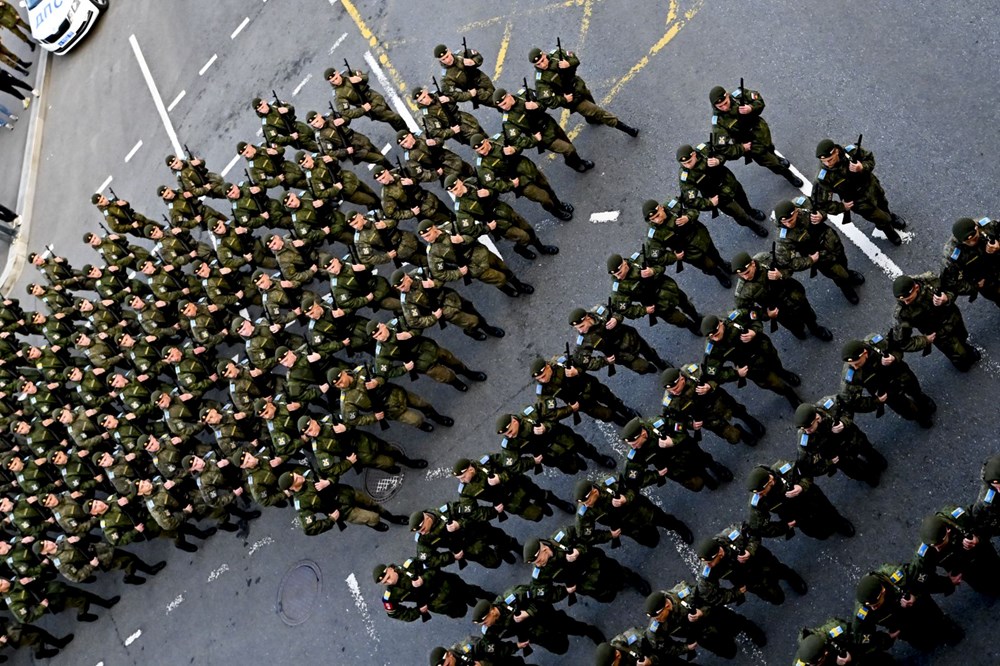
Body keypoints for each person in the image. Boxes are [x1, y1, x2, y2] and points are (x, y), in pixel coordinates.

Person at [813, 138, 906, 245]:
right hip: (858, 201)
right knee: (881, 219)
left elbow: (870, 159)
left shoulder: (851, 152)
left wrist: (862, 167)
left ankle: (891, 216)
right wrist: (842, 207)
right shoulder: (824, 177)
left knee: (883, 203)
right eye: (823, 161)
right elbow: (822, 203)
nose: (827, 164)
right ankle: (889, 232)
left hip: (872, 187)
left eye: (830, 160)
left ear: (836, 151)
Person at [700, 311, 801, 408]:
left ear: (721, 323)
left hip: (764, 350)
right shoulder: (712, 350)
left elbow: (755, 315)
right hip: (751, 366)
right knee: (773, 384)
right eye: (711, 336)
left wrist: (754, 331)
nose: (715, 338)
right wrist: (736, 373)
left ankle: (783, 373)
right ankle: (789, 394)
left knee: (776, 364)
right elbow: (713, 373)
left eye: (716, 333)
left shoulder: (735, 318)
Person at [773, 197, 865, 304]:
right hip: (820, 257)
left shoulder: (804, 204)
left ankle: (848, 274)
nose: (788, 224)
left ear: (796, 211)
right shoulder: (783, 239)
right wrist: (810, 260)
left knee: (843, 260)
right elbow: (788, 263)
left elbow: (823, 205)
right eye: (785, 222)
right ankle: (846, 288)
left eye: (791, 220)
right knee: (838, 275)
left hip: (831, 241)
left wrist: (822, 215)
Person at [529, 45, 638, 136]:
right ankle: (628, 130)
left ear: (544, 54)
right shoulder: (541, 80)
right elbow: (548, 101)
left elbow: (575, 59)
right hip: (573, 100)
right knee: (599, 112)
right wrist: (563, 99)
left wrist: (569, 64)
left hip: (579, 86)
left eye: (542, 60)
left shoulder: (557, 55)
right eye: (538, 64)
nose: (542, 65)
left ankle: (591, 119)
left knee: (591, 104)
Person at [852, 564, 963, 652]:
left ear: (883, 591)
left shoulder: (896, 575)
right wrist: (885, 639)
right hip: (903, 627)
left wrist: (947, 583)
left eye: (876, 604)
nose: (874, 609)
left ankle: (947, 629)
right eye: (870, 606)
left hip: (920, 609)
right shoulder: (863, 609)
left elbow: (923, 581)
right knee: (925, 644)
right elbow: (861, 638)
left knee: (945, 627)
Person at [644, 582, 766, 661]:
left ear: (667, 606)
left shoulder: (687, 593)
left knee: (737, 624)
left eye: (658, 616)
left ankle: (754, 633)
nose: (656, 620)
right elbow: (664, 648)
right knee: (728, 651)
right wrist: (685, 648)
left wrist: (702, 612)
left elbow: (712, 600)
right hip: (700, 635)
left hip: (713, 616)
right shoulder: (655, 629)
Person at [707, 84, 802, 185]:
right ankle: (789, 176)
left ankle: (776, 156)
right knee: (773, 164)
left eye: (725, 103)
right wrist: (742, 148)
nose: (724, 107)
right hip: (750, 144)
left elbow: (759, 100)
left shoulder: (738, 96)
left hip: (760, 130)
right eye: (720, 106)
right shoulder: (718, 122)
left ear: (727, 96)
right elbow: (722, 148)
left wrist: (751, 108)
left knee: (769, 147)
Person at [695, 522, 807, 606]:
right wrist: (736, 593)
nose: (707, 566)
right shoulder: (707, 570)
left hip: (761, 560)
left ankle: (792, 577)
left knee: (780, 570)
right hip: (747, 579)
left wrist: (750, 550)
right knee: (777, 598)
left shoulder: (733, 535)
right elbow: (709, 595)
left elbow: (755, 530)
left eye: (710, 562)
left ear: (719, 552)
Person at [731, 251, 833, 341]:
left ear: (752, 263)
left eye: (747, 272)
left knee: (808, 314)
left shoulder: (765, 259)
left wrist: (781, 274)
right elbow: (745, 311)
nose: (746, 277)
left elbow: (789, 265)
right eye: (742, 275)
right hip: (778, 309)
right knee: (793, 325)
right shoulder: (742, 292)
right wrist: (766, 314)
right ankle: (798, 331)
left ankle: (815, 329)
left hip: (793, 294)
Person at [837, 336, 935, 428]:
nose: (855, 367)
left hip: (901, 375)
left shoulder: (876, 343)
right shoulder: (850, 375)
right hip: (887, 392)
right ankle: (919, 417)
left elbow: (898, 346)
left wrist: (894, 357)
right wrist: (875, 401)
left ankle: (920, 398)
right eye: (851, 364)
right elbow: (849, 400)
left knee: (914, 389)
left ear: (865, 353)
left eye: (857, 363)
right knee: (906, 409)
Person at [418, 219, 533, 297]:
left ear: (434, 227)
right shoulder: (433, 252)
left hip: (481, 252)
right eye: (424, 237)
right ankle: (507, 290)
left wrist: (462, 239)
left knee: (504, 268)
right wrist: (458, 273)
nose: (427, 239)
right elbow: (439, 273)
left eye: (428, 235)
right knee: (499, 278)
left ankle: (519, 285)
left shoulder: (450, 227)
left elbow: (472, 232)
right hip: (473, 267)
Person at [472, 133, 574, 221]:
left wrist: (514, 149)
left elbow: (519, 142)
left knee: (547, 187)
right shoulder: (482, 165)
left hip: (528, 169)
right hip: (518, 181)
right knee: (544, 198)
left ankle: (559, 204)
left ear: (486, 141)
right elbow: (492, 184)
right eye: (478, 151)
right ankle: (556, 212)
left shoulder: (499, 139)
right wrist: (510, 184)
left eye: (482, 148)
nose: (482, 152)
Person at [891, 272, 979, 371]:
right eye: (903, 300)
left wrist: (947, 298)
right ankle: (962, 364)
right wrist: (925, 340)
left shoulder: (930, 281)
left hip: (953, 318)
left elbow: (952, 287)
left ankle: (967, 350)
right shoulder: (902, 314)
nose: (906, 303)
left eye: (908, 299)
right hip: (940, 334)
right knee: (958, 354)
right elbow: (902, 342)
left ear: (916, 288)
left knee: (962, 336)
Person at [660, 364, 765, 447]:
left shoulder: (694, 372)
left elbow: (716, 374)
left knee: (739, 411)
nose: (674, 393)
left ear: (682, 379)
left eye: (675, 388)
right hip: (708, 419)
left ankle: (748, 420)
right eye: (670, 390)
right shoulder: (669, 403)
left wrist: (709, 386)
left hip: (720, 401)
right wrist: (691, 424)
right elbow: (674, 421)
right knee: (733, 437)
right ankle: (740, 432)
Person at [573, 476, 693, 548]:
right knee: (650, 541)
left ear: (594, 491)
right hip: (626, 526)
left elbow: (633, 486)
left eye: (587, 500)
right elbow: (585, 537)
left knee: (664, 520)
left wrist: (626, 498)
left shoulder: (612, 483)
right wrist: (610, 535)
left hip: (640, 510)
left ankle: (680, 528)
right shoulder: (584, 513)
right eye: (582, 503)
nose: (586, 504)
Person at [745, 461, 855, 540]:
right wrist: (784, 527)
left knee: (829, 513)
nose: (760, 495)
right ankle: (823, 532)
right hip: (795, 515)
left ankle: (840, 524)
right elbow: (758, 527)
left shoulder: (783, 469)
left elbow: (807, 472)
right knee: (816, 531)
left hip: (811, 498)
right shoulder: (757, 500)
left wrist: (802, 486)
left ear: (770, 480)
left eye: (762, 491)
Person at [493, 87, 594, 172]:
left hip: (551, 124)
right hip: (543, 137)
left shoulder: (524, 94)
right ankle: (574, 164)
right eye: (500, 106)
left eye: (504, 103)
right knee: (569, 149)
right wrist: (534, 140)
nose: (504, 107)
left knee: (568, 144)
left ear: (509, 95)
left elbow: (545, 101)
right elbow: (518, 141)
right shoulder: (508, 121)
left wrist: (536, 105)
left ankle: (576, 160)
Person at [677, 143, 768, 237]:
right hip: (719, 196)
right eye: (684, 164)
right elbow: (691, 200)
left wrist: (718, 160)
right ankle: (753, 226)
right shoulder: (686, 176)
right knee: (739, 214)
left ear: (694, 154)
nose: (687, 165)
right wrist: (710, 203)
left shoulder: (705, 150)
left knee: (742, 198)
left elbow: (724, 150)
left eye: (689, 161)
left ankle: (750, 211)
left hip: (729, 182)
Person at [620, 416, 732, 492]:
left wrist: (673, 442)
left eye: (634, 443)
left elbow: (681, 429)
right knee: (697, 485)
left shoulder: (659, 424)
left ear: (643, 434)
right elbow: (633, 481)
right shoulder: (636, 454)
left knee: (705, 460)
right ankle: (705, 478)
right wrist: (656, 475)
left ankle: (715, 467)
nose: (632, 447)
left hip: (688, 452)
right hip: (675, 469)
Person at [793, 399, 887, 488]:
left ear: (817, 418)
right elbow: (806, 464)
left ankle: (878, 462)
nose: (806, 431)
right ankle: (869, 477)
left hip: (852, 439)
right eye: (802, 428)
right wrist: (828, 463)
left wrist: (844, 422)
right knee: (856, 471)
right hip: (838, 455)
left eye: (809, 427)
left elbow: (849, 407)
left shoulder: (829, 405)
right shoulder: (804, 439)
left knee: (868, 450)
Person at [642, 197, 731, 288]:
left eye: (657, 215)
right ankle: (718, 274)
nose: (657, 220)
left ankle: (722, 264)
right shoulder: (654, 234)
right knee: (708, 266)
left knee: (714, 253)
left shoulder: (674, 205)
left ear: (661, 207)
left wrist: (688, 217)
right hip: (689, 253)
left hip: (701, 237)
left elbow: (694, 207)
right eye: (653, 219)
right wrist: (674, 257)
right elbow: (655, 257)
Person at [911, 507, 1000, 596]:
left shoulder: (958, 518)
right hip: (963, 569)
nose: (937, 549)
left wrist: (978, 539)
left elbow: (988, 524)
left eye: (940, 544)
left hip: (982, 553)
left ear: (948, 530)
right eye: (933, 546)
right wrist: (947, 582)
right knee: (984, 587)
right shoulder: (923, 554)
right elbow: (921, 580)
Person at [607, 252, 702, 335]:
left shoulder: (639, 259)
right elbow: (625, 310)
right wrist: (644, 310)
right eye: (615, 275)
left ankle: (697, 318)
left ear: (624, 263)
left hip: (668, 289)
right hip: (656, 305)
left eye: (619, 273)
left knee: (686, 304)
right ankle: (692, 327)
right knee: (679, 319)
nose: (618, 277)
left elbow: (660, 262)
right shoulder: (619, 289)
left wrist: (653, 271)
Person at [373, 559, 493, 622]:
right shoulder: (390, 596)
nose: (389, 582)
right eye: (385, 582)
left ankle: (491, 601)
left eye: (388, 577)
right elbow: (396, 614)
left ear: (390, 569)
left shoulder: (410, 565)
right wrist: (418, 611)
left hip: (446, 584)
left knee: (472, 592)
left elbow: (432, 564)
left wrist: (423, 579)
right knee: (460, 612)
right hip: (438, 603)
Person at [532, 356, 637, 427]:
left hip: (590, 386)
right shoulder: (543, 390)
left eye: (543, 376)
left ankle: (624, 410)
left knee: (611, 400)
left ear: (547, 367)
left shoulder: (561, 363)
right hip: (581, 402)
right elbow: (550, 413)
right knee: (606, 415)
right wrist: (569, 409)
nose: (543, 380)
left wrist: (577, 371)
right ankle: (618, 420)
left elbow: (584, 362)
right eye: (539, 379)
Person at [568, 304, 667, 376]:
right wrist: (604, 361)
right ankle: (651, 369)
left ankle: (660, 364)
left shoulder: (600, 311)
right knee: (642, 367)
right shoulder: (583, 340)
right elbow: (583, 362)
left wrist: (616, 319)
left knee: (650, 353)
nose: (581, 330)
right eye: (577, 328)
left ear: (588, 318)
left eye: (582, 326)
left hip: (631, 338)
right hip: (621, 355)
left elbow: (619, 308)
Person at [940, 216, 1000, 306]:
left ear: (976, 228)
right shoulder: (951, 254)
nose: (972, 243)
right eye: (967, 242)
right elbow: (950, 282)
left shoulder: (988, 226)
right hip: (988, 282)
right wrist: (974, 286)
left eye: (975, 238)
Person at [325, 66, 407, 131]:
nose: (336, 81)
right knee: (395, 117)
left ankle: (404, 134)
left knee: (391, 118)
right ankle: (407, 134)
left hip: (376, 97)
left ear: (337, 73)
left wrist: (359, 79)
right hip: (370, 107)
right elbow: (345, 112)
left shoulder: (347, 73)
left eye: (336, 78)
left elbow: (365, 77)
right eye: (333, 81)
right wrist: (363, 109)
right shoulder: (338, 95)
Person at [793, 617, 895, 666]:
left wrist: (884, 639)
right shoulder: (801, 663)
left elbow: (860, 639)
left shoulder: (835, 631)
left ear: (825, 652)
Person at [434, 42, 496, 108]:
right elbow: (452, 95)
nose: (447, 60)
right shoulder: (446, 77)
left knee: (496, 93)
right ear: (439, 60)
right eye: (443, 59)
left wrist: (474, 61)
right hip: (477, 92)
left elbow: (478, 57)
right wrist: (469, 95)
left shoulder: (461, 54)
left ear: (449, 51)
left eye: (447, 56)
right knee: (498, 102)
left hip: (484, 81)